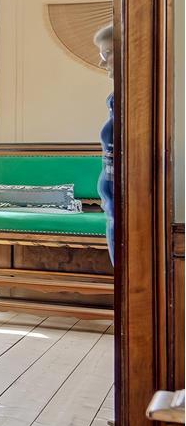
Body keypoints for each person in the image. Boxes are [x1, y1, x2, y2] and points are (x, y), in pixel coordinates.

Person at [96, 23, 116, 263]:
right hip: (115, 209)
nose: (102, 63)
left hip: (128, 209)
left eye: (106, 54)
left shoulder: (134, 97)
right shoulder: (116, 99)